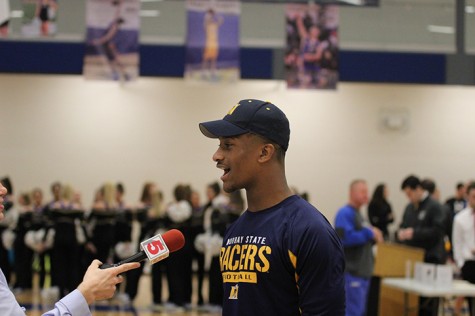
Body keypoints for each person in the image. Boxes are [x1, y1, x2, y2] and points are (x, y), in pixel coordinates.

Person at [199, 98, 346, 315]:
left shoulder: (309, 232)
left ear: (264, 153)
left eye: (228, 145)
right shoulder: (234, 231)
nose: (216, 156)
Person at [0, 180, 140, 315]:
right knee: (62, 267)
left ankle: (66, 292)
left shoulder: (64, 207)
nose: (4, 190)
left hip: (75, 241)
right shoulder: (68, 207)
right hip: (70, 241)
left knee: (69, 267)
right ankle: (63, 292)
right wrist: (85, 293)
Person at [397, 175, 446, 316]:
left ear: (418, 189)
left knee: (428, 303)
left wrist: (414, 233)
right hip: (413, 259)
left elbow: (438, 231)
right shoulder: (409, 208)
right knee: (415, 301)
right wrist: (401, 233)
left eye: (409, 194)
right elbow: (403, 226)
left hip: (431, 258)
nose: (409, 198)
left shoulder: (435, 206)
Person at [335, 179, 383, 316]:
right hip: (352, 273)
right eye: (362, 192)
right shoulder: (344, 213)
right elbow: (344, 239)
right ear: (352, 192)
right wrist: (370, 232)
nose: (366, 195)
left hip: (362, 274)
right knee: (352, 311)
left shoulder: (359, 214)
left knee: (359, 311)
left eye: (367, 192)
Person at [452, 181, 475, 313]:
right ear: (468, 196)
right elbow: (457, 243)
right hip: (469, 263)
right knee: (468, 299)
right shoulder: (460, 218)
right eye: (473, 196)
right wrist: (460, 263)